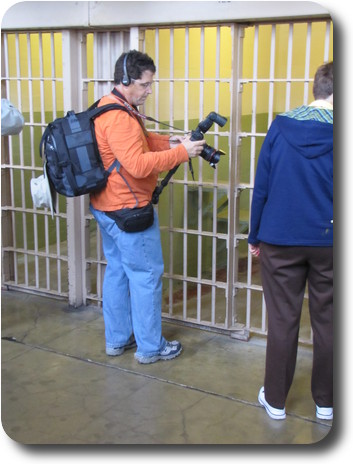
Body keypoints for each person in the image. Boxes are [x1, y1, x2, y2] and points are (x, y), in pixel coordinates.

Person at [89, 50, 205, 364]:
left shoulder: (108, 106)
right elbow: (138, 165)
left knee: (117, 272)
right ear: (125, 80)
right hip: (128, 211)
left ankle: (117, 339)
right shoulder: (120, 117)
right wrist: (183, 153)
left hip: (105, 206)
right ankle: (151, 347)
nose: (149, 90)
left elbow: (138, 142)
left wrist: (170, 141)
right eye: (144, 84)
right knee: (146, 276)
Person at [248, 62, 333, 420]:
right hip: (331, 241)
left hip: (280, 237)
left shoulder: (280, 126)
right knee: (330, 321)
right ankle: (327, 402)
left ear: (316, 88)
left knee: (282, 319)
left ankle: (277, 401)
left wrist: (254, 235)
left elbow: (262, 186)